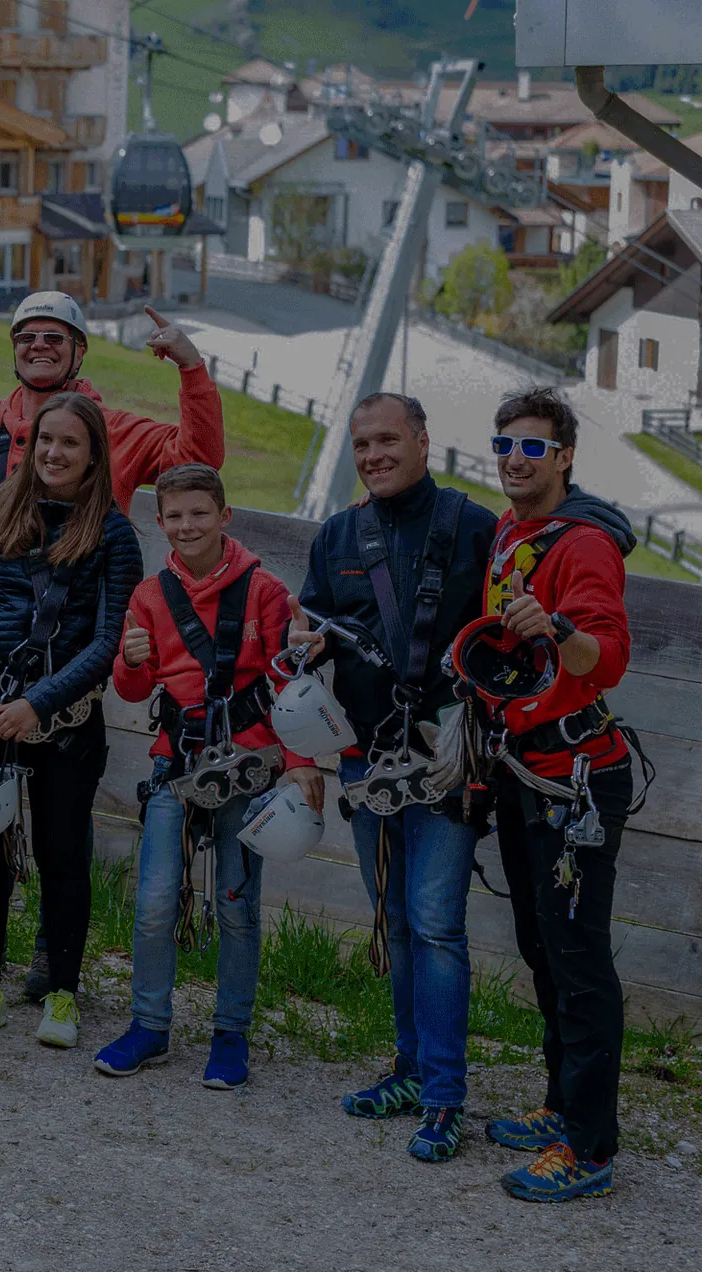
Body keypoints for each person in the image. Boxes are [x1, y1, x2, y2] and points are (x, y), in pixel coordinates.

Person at [0, 286, 225, 974]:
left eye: (54, 337)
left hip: (71, 650)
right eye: (27, 335)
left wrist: (189, 368)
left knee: (61, 819)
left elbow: (199, 456)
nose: (38, 346)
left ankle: (49, 952)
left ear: (79, 350)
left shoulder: (111, 428)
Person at [292, 392, 497, 1162]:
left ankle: (445, 1097)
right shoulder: (339, 534)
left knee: (437, 922)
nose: (373, 454)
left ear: (421, 440)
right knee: (398, 922)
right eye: (361, 443)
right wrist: (305, 643)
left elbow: (501, 637)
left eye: (387, 439)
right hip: (366, 760)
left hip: (445, 759)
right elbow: (309, 623)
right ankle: (411, 1072)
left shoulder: (475, 528)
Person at [95, 464, 317, 1088]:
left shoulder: (265, 592)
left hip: (249, 764)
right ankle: (149, 1024)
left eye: (200, 513)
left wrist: (299, 765)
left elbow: (286, 682)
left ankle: (231, 1032)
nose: (187, 525)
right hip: (176, 763)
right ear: (159, 523)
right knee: (155, 901)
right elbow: (134, 685)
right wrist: (132, 664)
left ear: (225, 516)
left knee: (236, 903)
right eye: (174, 516)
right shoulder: (149, 595)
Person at [473, 388, 639, 1204]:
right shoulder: (513, 531)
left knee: (578, 961)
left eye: (532, 447)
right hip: (524, 766)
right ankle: (560, 1102)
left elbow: (604, 660)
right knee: (541, 946)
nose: (514, 457)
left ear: (565, 457)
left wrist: (558, 630)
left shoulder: (584, 546)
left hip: (577, 779)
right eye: (504, 443)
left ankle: (589, 1145)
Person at [0, 390, 141, 1044]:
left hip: (64, 717)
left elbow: (108, 638)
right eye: (45, 440)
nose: (54, 452)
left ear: (92, 456)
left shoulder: (112, 533)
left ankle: (62, 993)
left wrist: (39, 703)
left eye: (70, 443)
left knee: (62, 855)